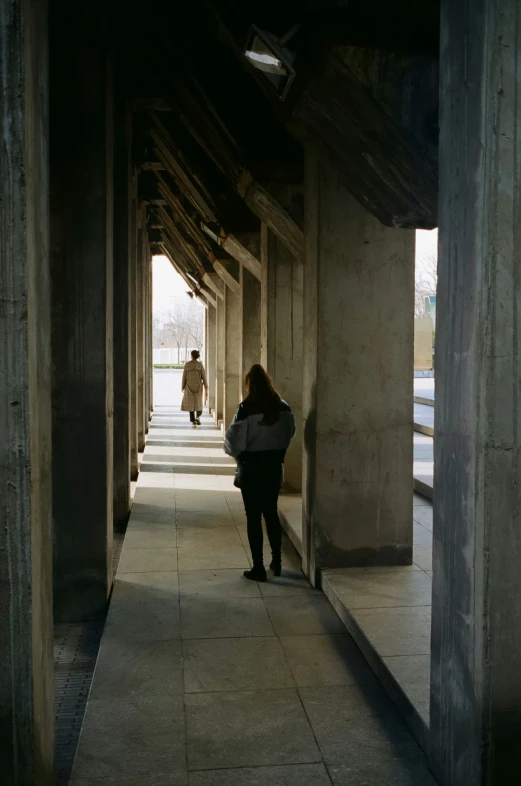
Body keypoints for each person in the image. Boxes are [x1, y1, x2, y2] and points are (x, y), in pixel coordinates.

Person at [224, 364, 295, 582]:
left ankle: (258, 567)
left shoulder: (246, 408)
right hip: (273, 468)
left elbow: (232, 442)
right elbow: (289, 435)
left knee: (253, 517)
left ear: (250, 384)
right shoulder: (282, 407)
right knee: (271, 513)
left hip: (251, 469)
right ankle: (277, 561)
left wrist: (240, 453)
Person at [181, 350, 208, 427]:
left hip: (189, 386)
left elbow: (184, 377)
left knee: (191, 404)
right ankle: (198, 417)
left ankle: (193, 421)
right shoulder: (200, 365)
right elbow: (204, 377)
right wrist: (206, 387)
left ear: (191, 356)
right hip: (198, 386)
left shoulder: (187, 365)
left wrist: (182, 386)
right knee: (198, 402)